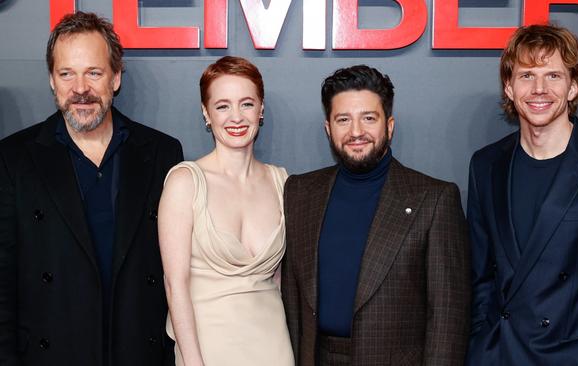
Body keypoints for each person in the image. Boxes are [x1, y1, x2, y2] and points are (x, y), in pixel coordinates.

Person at [0, 11, 183, 366]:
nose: (80, 88)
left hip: (137, 352)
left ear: (115, 78)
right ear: (52, 81)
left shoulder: (161, 153)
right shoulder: (13, 159)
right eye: (66, 73)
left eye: (93, 73)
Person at [465, 24, 578, 365]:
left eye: (553, 76)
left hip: (577, 357)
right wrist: (482, 342)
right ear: (508, 87)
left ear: (573, 87)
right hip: (500, 354)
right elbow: (480, 276)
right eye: (526, 76)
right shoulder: (486, 165)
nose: (539, 89)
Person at [281, 65, 471, 366]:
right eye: (343, 120)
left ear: (389, 125)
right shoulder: (299, 193)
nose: (356, 132)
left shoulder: (434, 199)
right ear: (328, 128)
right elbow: (291, 302)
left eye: (369, 118)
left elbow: (448, 317)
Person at [159, 56, 294, 366]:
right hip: (207, 348)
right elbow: (174, 283)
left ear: (261, 110)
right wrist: (193, 361)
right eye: (222, 106)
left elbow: (278, 280)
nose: (236, 117)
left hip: (273, 346)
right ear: (207, 114)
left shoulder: (282, 182)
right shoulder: (185, 182)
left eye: (246, 104)